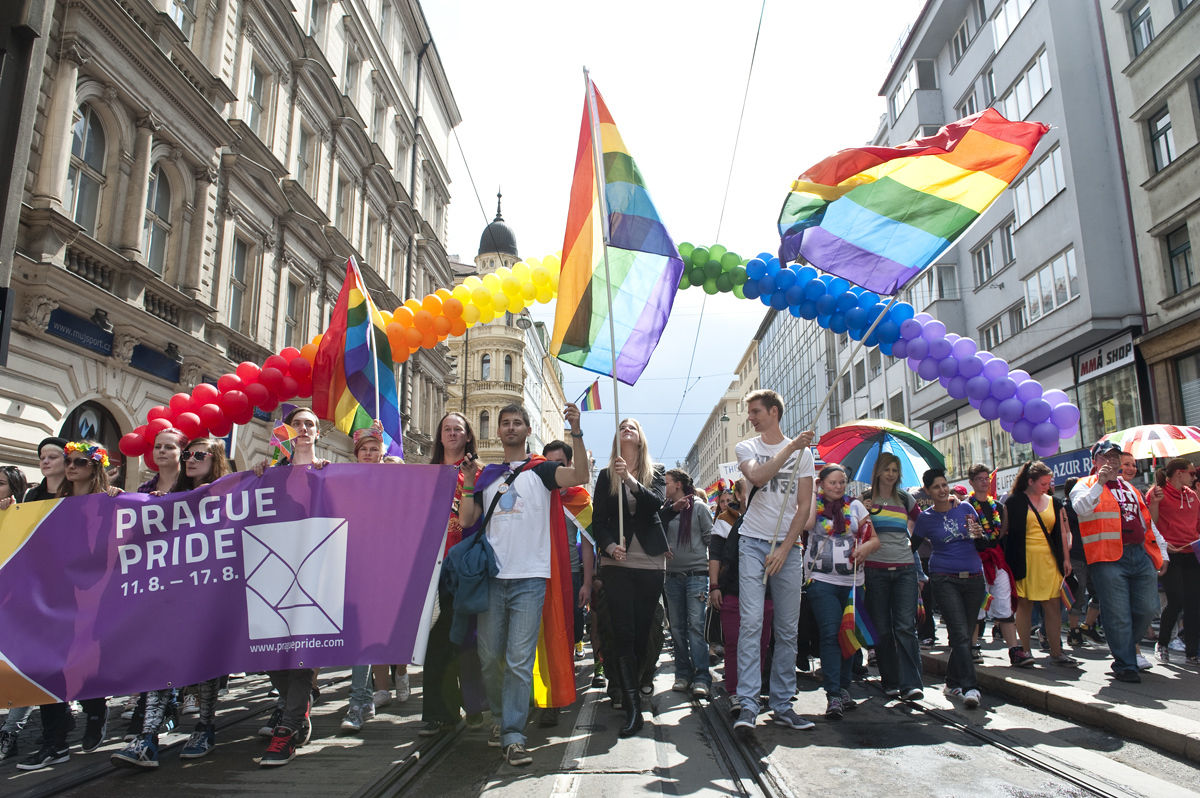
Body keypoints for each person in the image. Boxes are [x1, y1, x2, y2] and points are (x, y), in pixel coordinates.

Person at [457, 403, 589, 766]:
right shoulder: (487, 475)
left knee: (518, 661)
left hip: (531, 578)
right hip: (491, 579)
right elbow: (467, 519)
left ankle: (513, 734)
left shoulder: (543, 471)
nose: (511, 428)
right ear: (499, 432)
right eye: (506, 423)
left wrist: (574, 430)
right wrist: (469, 482)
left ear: (528, 430)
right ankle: (500, 717)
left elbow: (580, 473)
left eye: (517, 422)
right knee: (489, 658)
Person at [16, 441, 115, 770]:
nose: (69, 466)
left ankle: (95, 708)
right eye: (66, 460)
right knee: (47, 665)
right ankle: (54, 741)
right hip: (44, 595)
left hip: (85, 594)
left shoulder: (99, 499)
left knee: (78, 661)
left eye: (75, 461)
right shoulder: (34, 498)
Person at [732, 389, 816, 733]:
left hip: (788, 548)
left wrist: (786, 547)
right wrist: (790, 448)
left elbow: (805, 506)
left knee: (786, 629)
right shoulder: (747, 448)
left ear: (774, 411)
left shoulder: (805, 455)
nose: (750, 417)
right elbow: (758, 477)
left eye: (755, 411)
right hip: (751, 543)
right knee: (751, 623)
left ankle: (782, 703)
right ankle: (748, 704)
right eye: (750, 412)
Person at [254, 407, 329, 766]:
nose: (303, 429)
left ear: (318, 433)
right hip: (274, 574)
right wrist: (254, 478)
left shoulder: (329, 472)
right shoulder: (270, 475)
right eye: (297, 423)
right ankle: (300, 705)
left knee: (299, 656)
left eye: (309, 424)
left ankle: (287, 730)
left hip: (313, 576)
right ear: (287, 430)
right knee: (271, 653)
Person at [592, 417, 668, 738]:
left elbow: (656, 504)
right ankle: (632, 706)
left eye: (632, 427)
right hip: (617, 563)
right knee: (621, 629)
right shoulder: (606, 475)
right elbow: (598, 519)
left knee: (641, 630)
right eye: (622, 426)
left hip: (650, 561)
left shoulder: (657, 472)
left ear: (639, 438)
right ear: (618, 437)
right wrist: (609, 545)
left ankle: (635, 683)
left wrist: (632, 482)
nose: (627, 430)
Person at [1069, 440, 1168, 683]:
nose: (1112, 461)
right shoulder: (1084, 484)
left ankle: (1124, 648)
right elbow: (1081, 509)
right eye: (1106, 457)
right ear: (1095, 462)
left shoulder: (1130, 488)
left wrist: (1162, 551)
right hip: (1107, 557)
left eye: (1115, 457)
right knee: (1117, 613)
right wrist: (1100, 483)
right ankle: (1125, 663)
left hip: (1138, 554)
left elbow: (1146, 521)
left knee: (1148, 607)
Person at [418, 412, 486, 737]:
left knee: (458, 640)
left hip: (465, 570)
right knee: (442, 639)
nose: (452, 433)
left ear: (468, 436)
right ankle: (446, 708)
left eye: (458, 428)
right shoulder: (427, 474)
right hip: (431, 568)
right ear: (439, 436)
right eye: (446, 428)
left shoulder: (479, 475)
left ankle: (461, 705)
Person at [804, 464, 878, 719]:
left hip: (853, 584)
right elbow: (808, 523)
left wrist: (865, 550)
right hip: (822, 581)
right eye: (832, 482)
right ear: (822, 483)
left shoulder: (856, 506)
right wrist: (813, 493)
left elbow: (874, 539)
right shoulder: (813, 503)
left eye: (842, 482)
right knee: (829, 634)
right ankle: (833, 694)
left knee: (848, 635)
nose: (837, 487)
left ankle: (844, 688)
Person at [912, 468, 986, 709]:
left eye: (945, 485)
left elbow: (984, 543)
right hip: (944, 577)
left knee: (964, 631)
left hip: (974, 577)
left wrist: (979, 535)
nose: (942, 490)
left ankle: (952, 681)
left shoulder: (966, 508)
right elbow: (911, 547)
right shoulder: (925, 518)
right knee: (960, 633)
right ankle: (969, 687)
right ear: (928, 491)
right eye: (936, 487)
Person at [536, 439, 595, 728]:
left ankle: (557, 697)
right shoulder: (535, 490)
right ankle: (541, 694)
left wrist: (586, 582)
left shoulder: (579, 497)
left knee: (565, 637)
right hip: (536, 573)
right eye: (548, 463)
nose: (553, 469)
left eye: (558, 463)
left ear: (569, 465)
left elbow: (587, 544)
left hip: (569, 575)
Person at [860, 453, 924, 700]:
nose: (891, 474)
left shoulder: (905, 499)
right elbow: (851, 529)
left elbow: (924, 522)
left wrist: (913, 547)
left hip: (905, 569)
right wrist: (860, 514)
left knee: (905, 627)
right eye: (887, 469)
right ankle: (891, 680)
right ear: (877, 471)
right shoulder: (864, 499)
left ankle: (912, 684)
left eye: (895, 470)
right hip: (875, 570)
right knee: (883, 629)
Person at [1003, 461, 1077, 667]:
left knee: (1053, 605)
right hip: (1023, 560)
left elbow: (1062, 532)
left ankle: (1056, 650)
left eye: (1049, 483)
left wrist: (1066, 559)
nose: (1047, 487)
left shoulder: (1055, 502)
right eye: (1043, 483)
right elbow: (1005, 531)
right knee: (1024, 605)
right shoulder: (1014, 502)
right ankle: (1025, 651)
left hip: (1049, 559)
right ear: (1030, 481)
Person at [963, 464, 1029, 667]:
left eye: (987, 478)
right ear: (971, 482)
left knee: (1004, 602)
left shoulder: (999, 507)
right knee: (976, 605)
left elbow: (1002, 533)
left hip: (997, 560)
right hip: (976, 560)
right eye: (980, 479)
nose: (985, 482)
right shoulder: (966, 506)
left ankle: (1014, 649)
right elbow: (971, 535)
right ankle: (973, 647)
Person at [660, 468, 714, 698]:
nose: (665, 487)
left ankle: (702, 676)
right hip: (671, 577)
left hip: (696, 575)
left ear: (679, 485)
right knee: (678, 629)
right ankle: (683, 674)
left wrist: (715, 579)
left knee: (695, 627)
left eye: (668, 483)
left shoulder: (700, 508)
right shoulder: (663, 511)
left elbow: (711, 539)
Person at [1146, 458, 1199, 665]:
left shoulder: (1192, 495)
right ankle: (1163, 643)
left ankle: (1192, 652)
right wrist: (1155, 503)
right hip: (1170, 554)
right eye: (1191, 473)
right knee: (1176, 600)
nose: (1193, 477)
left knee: (1195, 604)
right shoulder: (1157, 493)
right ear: (1179, 473)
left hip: (1192, 553)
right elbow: (1151, 523)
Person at [21, 437, 68, 501]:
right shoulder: (30, 495)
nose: (45, 461)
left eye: (52, 457)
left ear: (67, 461)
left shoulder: (78, 492)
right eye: (42, 458)